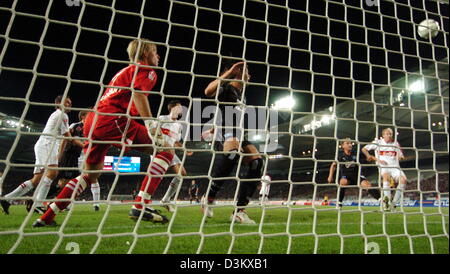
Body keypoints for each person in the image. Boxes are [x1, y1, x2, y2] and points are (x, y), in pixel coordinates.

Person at [33, 39, 174, 227]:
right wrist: (150, 124)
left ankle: (46, 217)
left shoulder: (124, 71)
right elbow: (137, 93)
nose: (158, 56)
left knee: (90, 175)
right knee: (166, 150)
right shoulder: (147, 71)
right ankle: (141, 204)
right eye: (156, 52)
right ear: (146, 53)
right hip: (111, 119)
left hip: (94, 121)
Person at [201, 61, 264, 224]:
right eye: (246, 71)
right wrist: (229, 72)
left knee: (257, 163)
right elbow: (208, 91)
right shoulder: (226, 88)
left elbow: (228, 113)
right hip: (225, 133)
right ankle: (208, 198)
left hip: (238, 134)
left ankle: (239, 211)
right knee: (233, 154)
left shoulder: (243, 95)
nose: (249, 75)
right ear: (237, 73)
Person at [1, 95, 72, 215]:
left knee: (37, 179)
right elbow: (67, 135)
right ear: (59, 103)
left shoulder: (58, 115)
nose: (70, 105)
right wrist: (84, 142)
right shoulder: (61, 114)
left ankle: (7, 199)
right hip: (47, 145)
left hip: (44, 145)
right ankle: (38, 204)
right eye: (67, 102)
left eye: (70, 103)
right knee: (52, 172)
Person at [56, 110, 101, 211]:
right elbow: (69, 139)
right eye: (90, 115)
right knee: (68, 181)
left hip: (88, 155)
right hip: (74, 156)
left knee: (92, 176)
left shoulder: (94, 126)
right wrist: (60, 153)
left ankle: (96, 204)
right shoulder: (75, 126)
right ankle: (63, 201)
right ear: (83, 117)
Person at [156, 100, 193, 212]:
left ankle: (165, 200)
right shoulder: (161, 119)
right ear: (172, 108)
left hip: (171, 152)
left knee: (182, 173)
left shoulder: (179, 125)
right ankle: (143, 200)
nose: (181, 109)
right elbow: (152, 131)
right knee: (154, 176)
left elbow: (175, 141)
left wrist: (184, 149)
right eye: (179, 106)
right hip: (158, 151)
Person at [362, 128, 407, 211]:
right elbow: (364, 149)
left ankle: (393, 203)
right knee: (386, 177)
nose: (389, 135)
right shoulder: (378, 142)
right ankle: (387, 204)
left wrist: (400, 157)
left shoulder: (395, 143)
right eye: (387, 134)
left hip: (395, 167)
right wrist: (369, 156)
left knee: (403, 180)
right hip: (384, 167)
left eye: (390, 134)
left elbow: (401, 156)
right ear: (383, 135)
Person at [328, 139, 381, 209]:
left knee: (367, 185)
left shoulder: (356, 153)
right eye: (347, 143)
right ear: (343, 146)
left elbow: (369, 156)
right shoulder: (340, 155)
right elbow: (333, 165)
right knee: (342, 182)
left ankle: (382, 200)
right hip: (346, 176)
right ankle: (339, 203)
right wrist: (330, 176)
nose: (350, 145)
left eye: (350, 143)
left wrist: (378, 160)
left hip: (357, 175)